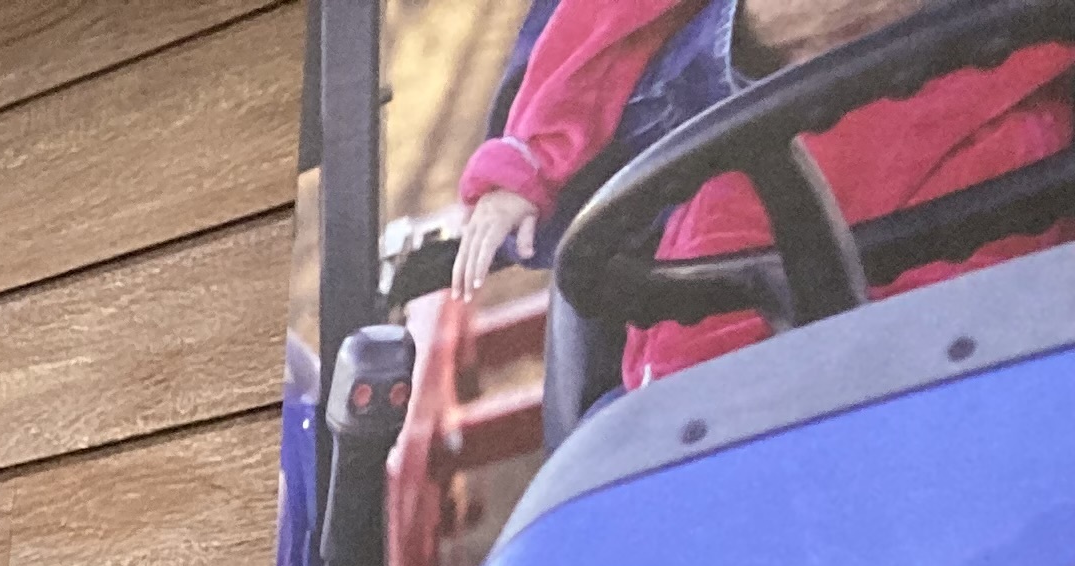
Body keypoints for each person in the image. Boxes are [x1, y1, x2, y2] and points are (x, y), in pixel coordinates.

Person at [451, 0, 1074, 388]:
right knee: (703, 355)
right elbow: (596, 25)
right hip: (789, 160)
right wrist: (529, 157)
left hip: (1003, 140)